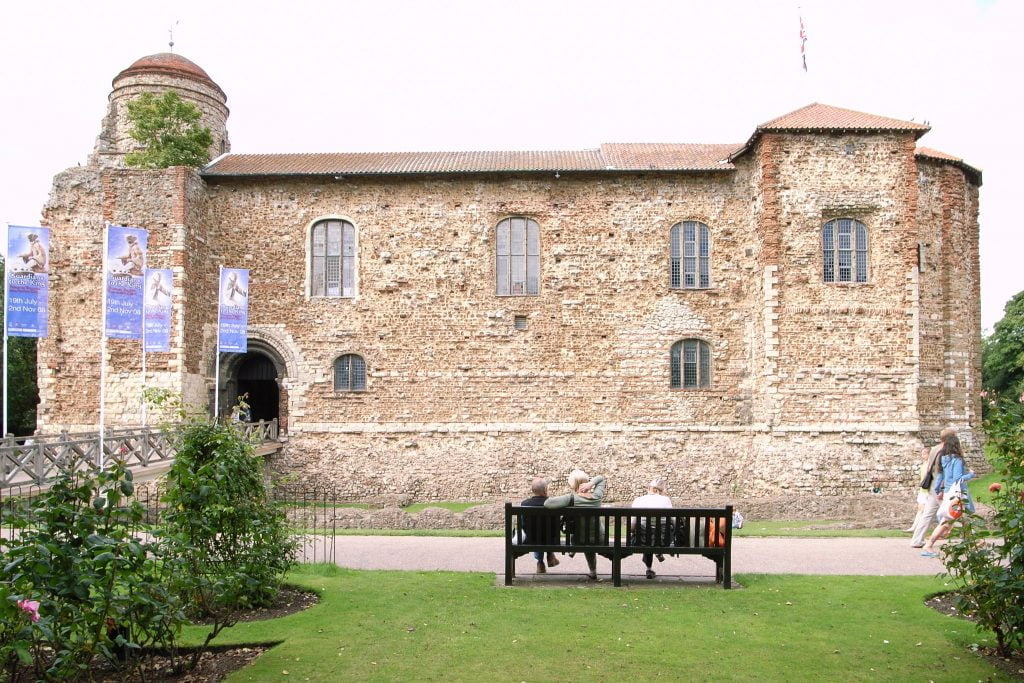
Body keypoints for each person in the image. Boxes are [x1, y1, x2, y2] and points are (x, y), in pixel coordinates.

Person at [544, 469, 606, 580]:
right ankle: (593, 572)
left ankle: (573, 549)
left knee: (581, 535)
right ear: (586, 482)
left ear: (573, 485)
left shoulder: (571, 499)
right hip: (599, 538)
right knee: (589, 537)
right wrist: (591, 484)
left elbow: (547, 503)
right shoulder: (597, 497)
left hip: (580, 540)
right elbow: (601, 478)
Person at [921, 433, 975, 557]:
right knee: (948, 520)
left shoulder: (944, 459)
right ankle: (928, 544)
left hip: (948, 492)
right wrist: (970, 474)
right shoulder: (957, 460)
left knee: (962, 519)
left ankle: (973, 542)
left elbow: (940, 476)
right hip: (957, 493)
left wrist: (938, 490)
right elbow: (958, 478)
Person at [910, 427, 955, 549]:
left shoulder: (934, 449)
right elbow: (946, 470)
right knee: (954, 512)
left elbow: (929, 466)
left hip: (932, 484)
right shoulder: (947, 450)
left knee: (927, 514)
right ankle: (970, 538)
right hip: (942, 485)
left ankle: (917, 539)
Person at [631, 477, 673, 579]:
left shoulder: (638, 500)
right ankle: (658, 552)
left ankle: (649, 568)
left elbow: (631, 527)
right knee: (656, 534)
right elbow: (673, 521)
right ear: (662, 490)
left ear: (649, 488)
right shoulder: (666, 500)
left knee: (645, 533)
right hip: (663, 540)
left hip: (642, 540)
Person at [519, 477, 560, 574]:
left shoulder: (525, 504)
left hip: (532, 539)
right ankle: (550, 554)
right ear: (546, 490)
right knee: (547, 533)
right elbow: (557, 525)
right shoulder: (554, 503)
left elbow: (523, 524)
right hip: (552, 539)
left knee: (535, 534)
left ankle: (540, 562)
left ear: (532, 490)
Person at [905, 447, 932, 532]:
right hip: (923, 489)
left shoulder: (931, 465)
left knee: (932, 511)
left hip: (929, 490)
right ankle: (914, 527)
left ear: (929, 454)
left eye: (924, 454)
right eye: (922, 454)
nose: (922, 456)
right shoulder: (924, 464)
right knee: (920, 509)